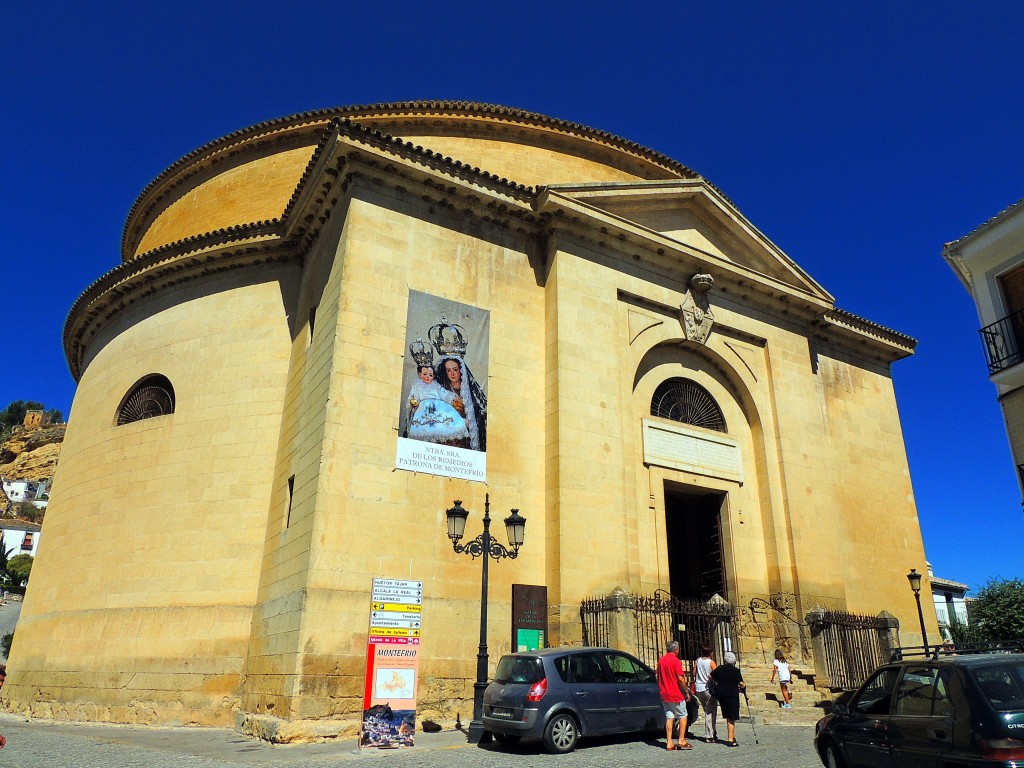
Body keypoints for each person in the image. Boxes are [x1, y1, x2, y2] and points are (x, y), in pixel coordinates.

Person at [404, 340, 470, 447]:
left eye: (430, 375)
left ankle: (457, 426)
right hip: (423, 408)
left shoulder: (435, 385)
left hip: (439, 406)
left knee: (446, 421)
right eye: (425, 374)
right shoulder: (417, 386)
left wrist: (452, 398)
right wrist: (413, 402)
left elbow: (443, 393)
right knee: (424, 427)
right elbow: (413, 397)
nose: (428, 377)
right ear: (419, 374)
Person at [436, 355, 487, 451]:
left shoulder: (470, 392)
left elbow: (479, 414)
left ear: (461, 370)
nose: (452, 374)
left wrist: (469, 422)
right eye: (448, 370)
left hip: (466, 437)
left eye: (455, 369)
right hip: (447, 434)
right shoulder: (442, 390)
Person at [656, 640, 692, 751]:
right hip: (674, 693)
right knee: (683, 715)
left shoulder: (661, 661)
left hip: (664, 693)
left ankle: (669, 742)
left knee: (669, 716)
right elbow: (680, 679)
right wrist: (686, 691)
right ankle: (681, 739)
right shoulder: (675, 661)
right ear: (676, 650)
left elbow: (657, 676)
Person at [710, 651, 745, 747]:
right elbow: (741, 683)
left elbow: (710, 676)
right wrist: (743, 687)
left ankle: (731, 736)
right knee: (731, 717)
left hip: (721, 694)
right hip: (732, 695)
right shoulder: (735, 670)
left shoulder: (720, 669)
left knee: (727, 715)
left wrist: (715, 682)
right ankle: (731, 738)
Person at [693, 644, 718, 742]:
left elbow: (694, 673)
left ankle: (712, 731)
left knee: (707, 710)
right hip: (708, 688)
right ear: (710, 653)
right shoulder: (711, 662)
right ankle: (709, 735)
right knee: (710, 712)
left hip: (699, 689)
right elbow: (716, 675)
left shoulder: (698, 661)